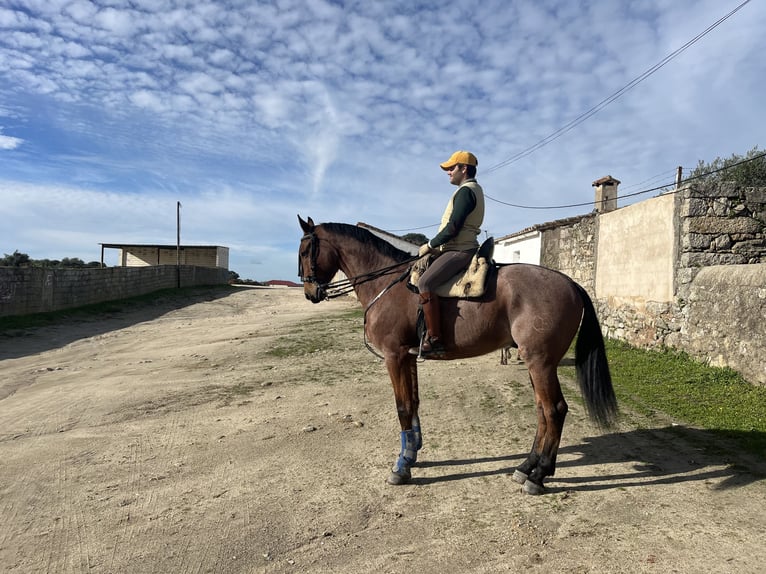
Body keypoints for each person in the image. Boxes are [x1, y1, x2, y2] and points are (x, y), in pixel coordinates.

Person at [409, 150, 485, 358]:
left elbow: (453, 227)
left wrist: (430, 245)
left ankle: (435, 340)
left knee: (425, 283)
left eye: (452, 168)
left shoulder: (466, 191)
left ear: (464, 169)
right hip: (458, 246)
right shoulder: (470, 190)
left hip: (460, 249)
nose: (448, 172)